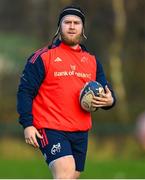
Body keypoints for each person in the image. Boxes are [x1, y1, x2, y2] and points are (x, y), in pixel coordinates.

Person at [17, 5, 116, 179]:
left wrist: (110, 101)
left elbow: (106, 90)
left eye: (76, 23)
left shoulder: (92, 61)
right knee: (65, 172)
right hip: (50, 127)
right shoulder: (42, 57)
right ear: (59, 27)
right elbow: (25, 91)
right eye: (67, 22)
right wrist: (28, 124)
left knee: (71, 176)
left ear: (83, 28)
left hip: (80, 131)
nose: (71, 26)